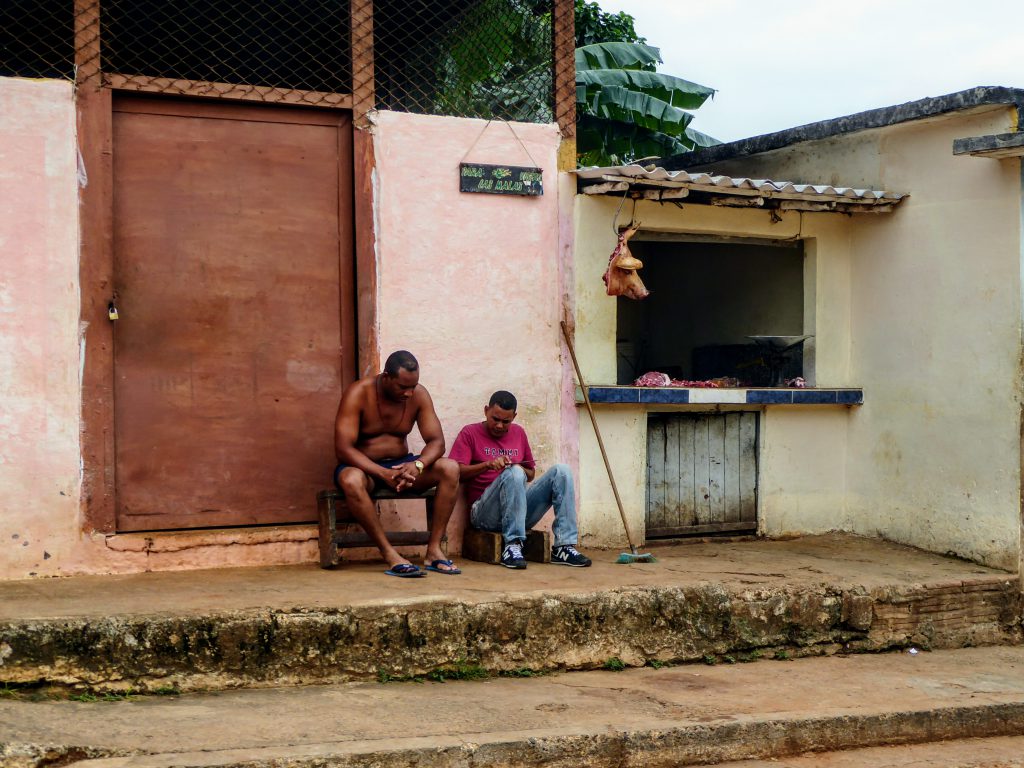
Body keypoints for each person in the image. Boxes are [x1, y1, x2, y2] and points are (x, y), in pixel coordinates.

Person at [334, 350, 461, 577]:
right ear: (386, 377)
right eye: (402, 387)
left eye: (413, 386)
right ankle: (389, 553)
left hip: (404, 465)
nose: (408, 392)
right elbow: (344, 449)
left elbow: (437, 442)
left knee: (450, 468)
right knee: (350, 480)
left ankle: (434, 551)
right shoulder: (358, 393)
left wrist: (418, 465)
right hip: (366, 468)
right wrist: (381, 473)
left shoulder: (418, 395)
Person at [448, 390, 591, 569]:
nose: (499, 425)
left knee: (561, 471)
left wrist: (515, 466)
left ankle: (563, 546)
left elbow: (530, 474)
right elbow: (457, 473)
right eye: (495, 419)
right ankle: (512, 545)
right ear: (486, 411)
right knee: (514, 473)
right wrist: (488, 465)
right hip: (484, 514)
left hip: (518, 511)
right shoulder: (470, 433)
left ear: (514, 417)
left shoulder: (518, 433)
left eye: (506, 421)